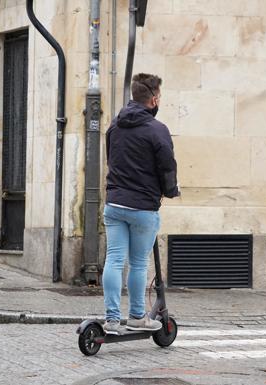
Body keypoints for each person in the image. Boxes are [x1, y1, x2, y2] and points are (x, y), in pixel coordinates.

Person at [102, 73, 180, 334]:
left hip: (114, 204)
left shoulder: (114, 125)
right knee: (137, 263)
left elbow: (111, 159)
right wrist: (170, 190)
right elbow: (167, 166)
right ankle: (137, 316)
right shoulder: (157, 130)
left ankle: (112, 319)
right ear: (154, 99)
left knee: (113, 260)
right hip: (143, 207)